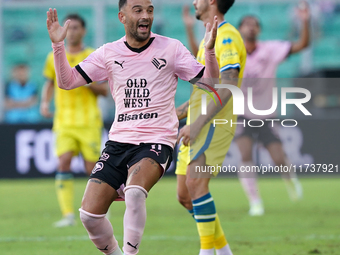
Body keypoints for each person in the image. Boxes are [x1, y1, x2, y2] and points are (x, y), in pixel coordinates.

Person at [45, 0, 219, 253]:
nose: (145, 15)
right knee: (89, 216)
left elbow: (210, 83)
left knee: (135, 192)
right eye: (138, 10)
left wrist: (210, 52)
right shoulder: (108, 52)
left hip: (156, 140)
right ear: (122, 17)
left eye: (149, 10)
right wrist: (58, 45)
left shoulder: (171, 48)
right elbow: (67, 81)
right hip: (119, 142)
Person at [176, 1, 246, 254]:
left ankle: (206, 252)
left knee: (196, 185)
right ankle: (224, 252)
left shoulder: (226, 36)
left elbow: (228, 85)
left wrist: (196, 124)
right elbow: (203, 91)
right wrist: (176, 114)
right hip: (199, 121)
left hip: (213, 122)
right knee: (185, 195)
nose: (194, 1)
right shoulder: (211, 36)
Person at [235, 2, 311, 216]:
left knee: (278, 158)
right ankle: (255, 202)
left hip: (267, 113)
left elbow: (302, 44)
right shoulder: (232, 52)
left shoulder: (271, 49)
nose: (251, 27)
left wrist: (305, 20)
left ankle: (291, 180)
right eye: (247, 24)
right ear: (240, 28)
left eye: (254, 24)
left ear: (259, 30)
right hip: (241, 113)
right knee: (245, 155)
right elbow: (200, 52)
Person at [41, 13, 108, 227]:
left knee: (92, 168)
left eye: (76, 28)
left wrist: (84, 81)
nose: (72, 32)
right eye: (69, 28)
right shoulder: (54, 56)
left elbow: (105, 91)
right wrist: (45, 102)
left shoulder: (92, 56)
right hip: (64, 121)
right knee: (63, 162)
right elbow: (50, 82)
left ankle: (97, 211)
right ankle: (68, 214)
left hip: (88, 122)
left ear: (84, 31)